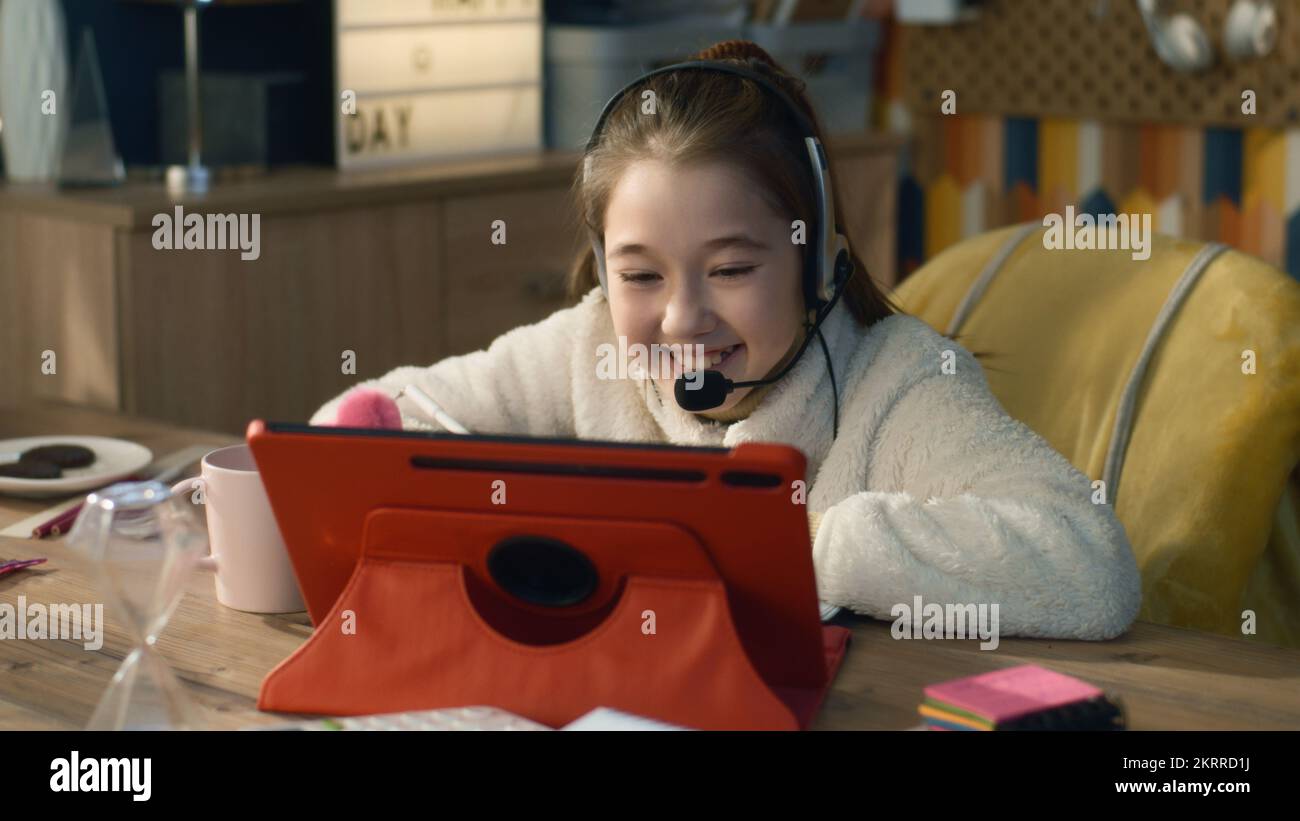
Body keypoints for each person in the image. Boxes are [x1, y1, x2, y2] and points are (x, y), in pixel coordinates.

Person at [311, 40, 1142, 641]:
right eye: (642, 276)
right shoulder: (591, 345)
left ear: (817, 265)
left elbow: (1094, 567)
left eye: (732, 269)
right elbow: (384, 420)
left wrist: (815, 548)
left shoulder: (902, 384)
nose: (680, 321)